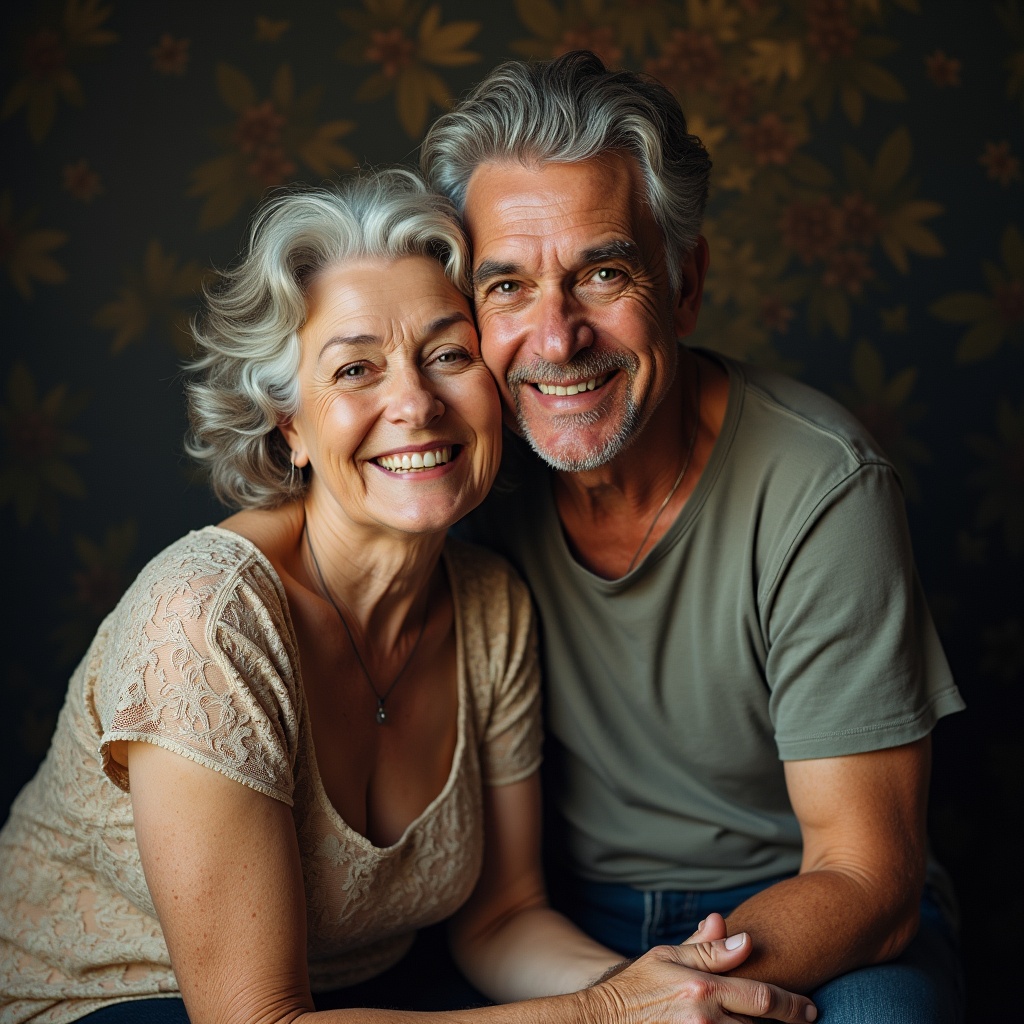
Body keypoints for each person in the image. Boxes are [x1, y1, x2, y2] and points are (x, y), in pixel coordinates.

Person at [0, 169, 818, 1024]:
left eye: (448, 355)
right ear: (291, 425)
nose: (415, 403)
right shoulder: (207, 620)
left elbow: (502, 921)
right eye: (356, 368)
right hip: (115, 1005)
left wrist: (671, 988)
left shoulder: (491, 605)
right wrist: (612, 1014)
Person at [421, 51, 967, 1022]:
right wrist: (624, 1001)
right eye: (507, 288)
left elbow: (866, 877)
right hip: (552, 914)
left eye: (602, 271)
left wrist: (685, 988)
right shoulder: (463, 477)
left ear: (684, 283)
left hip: (808, 907)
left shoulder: (818, 485)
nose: (555, 339)